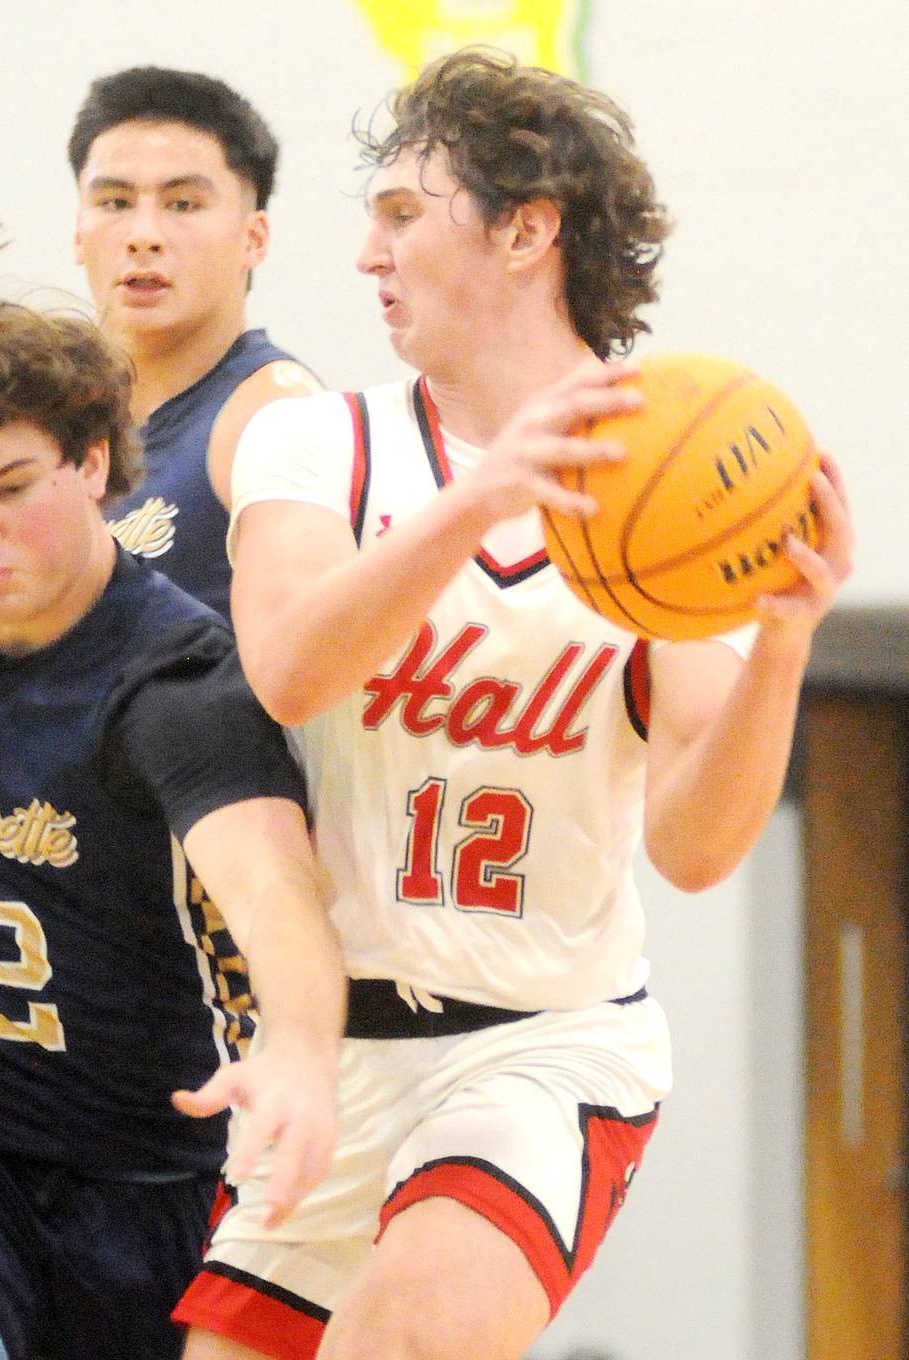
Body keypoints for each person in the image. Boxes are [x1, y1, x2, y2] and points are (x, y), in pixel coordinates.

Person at [174, 48, 855, 1360]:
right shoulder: (320, 444)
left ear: (526, 230)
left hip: (541, 1050)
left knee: (405, 1334)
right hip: (335, 1052)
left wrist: (781, 645)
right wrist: (481, 498)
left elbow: (694, 848)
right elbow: (291, 667)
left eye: (402, 213)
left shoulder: (676, 482)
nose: (367, 254)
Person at [0, 229, 343, 1360]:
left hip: (157, 1174)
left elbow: (273, 889)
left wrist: (300, 1047)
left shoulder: (177, 691)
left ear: (92, 462)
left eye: (9, 488)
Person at [0, 66, 319, 739]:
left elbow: (303, 674)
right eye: (115, 202)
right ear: (77, 231)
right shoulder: (44, 413)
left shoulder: (274, 416)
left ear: (254, 238)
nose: (144, 234)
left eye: (184, 204)